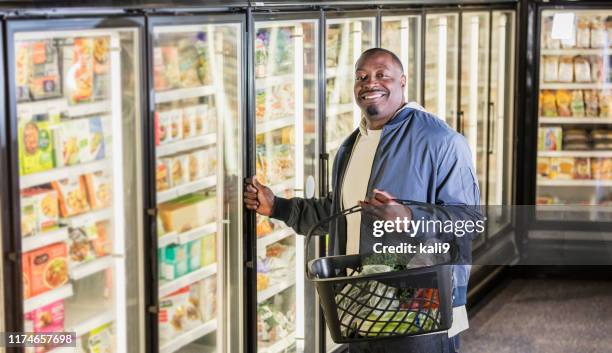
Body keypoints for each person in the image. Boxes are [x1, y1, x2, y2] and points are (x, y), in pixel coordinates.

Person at [245, 48, 480, 353]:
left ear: (403, 81)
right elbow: (338, 214)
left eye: (382, 75)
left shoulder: (442, 141)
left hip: (422, 312)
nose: (370, 83)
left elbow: (467, 222)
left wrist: (409, 217)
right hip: (359, 306)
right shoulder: (351, 146)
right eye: (361, 77)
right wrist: (278, 207)